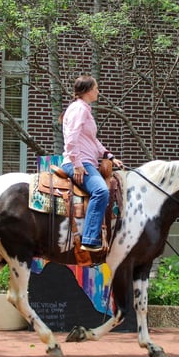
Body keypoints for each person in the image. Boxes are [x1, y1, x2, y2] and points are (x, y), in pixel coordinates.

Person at [61, 74, 124, 252]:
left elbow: (91, 140)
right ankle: (89, 238)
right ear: (88, 91)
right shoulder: (79, 109)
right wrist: (78, 164)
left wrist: (109, 156)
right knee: (101, 190)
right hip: (79, 163)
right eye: (96, 88)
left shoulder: (84, 109)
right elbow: (71, 139)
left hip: (86, 161)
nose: (98, 91)